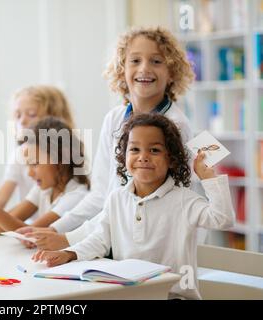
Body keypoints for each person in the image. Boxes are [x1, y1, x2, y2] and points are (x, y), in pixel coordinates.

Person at [18, 26, 195, 251]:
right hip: (111, 239)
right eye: (135, 60)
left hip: (153, 245)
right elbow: (101, 195)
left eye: (157, 61)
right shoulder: (114, 119)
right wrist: (56, 229)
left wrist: (70, 239)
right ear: (121, 70)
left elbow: (167, 204)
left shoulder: (177, 126)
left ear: (171, 73)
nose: (145, 68)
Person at [32, 113, 235, 300]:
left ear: (171, 160)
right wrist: (68, 253)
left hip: (173, 296)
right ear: (124, 157)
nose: (143, 156)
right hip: (128, 295)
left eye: (154, 150)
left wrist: (209, 179)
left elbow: (222, 219)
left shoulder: (184, 200)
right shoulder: (117, 198)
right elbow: (99, 239)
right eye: (135, 149)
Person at [0, 85, 76, 223]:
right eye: (18, 115)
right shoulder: (19, 154)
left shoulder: (69, 161)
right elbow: (3, 201)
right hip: (31, 227)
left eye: (31, 114)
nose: (22, 121)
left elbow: (24, 225)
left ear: (53, 119)